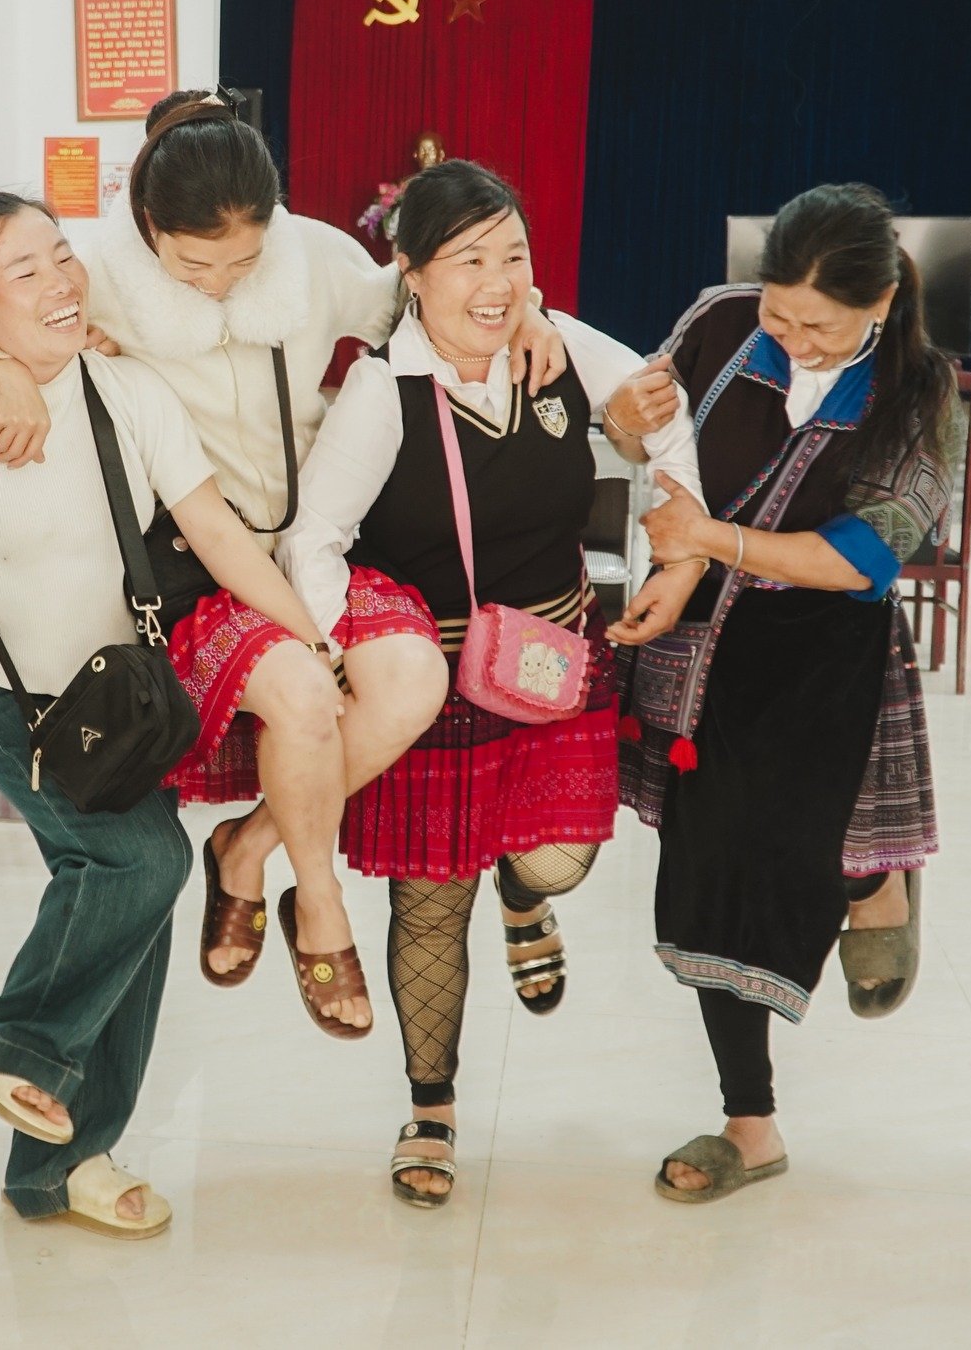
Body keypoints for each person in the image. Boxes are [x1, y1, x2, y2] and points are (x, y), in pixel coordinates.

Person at [0, 94, 670, 1040]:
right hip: (197, 558)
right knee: (307, 696)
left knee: (410, 681)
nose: (221, 284)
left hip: (314, 537)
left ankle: (247, 846)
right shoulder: (97, 272)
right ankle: (319, 903)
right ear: (149, 227)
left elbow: (436, 284)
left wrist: (532, 315)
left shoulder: (311, 256)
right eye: (195, 266)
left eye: (244, 261)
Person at [0, 191, 336, 1235]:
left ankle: (61, 1166)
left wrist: (314, 639)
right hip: (13, 706)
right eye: (26, 272)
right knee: (144, 866)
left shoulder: (127, 391)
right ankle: (14, 1043)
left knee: (131, 907)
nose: (61, 284)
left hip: (121, 703)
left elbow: (215, 533)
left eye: (63, 257)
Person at [278, 160, 704, 1206]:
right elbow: (312, 541)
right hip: (434, 681)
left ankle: (524, 898)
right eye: (468, 260)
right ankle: (430, 1110)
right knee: (432, 904)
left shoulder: (558, 348)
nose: (497, 281)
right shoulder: (383, 390)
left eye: (512, 255)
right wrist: (345, 656)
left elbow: (662, 413)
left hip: (552, 664)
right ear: (412, 273)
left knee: (558, 859)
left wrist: (679, 554)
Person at [618, 182, 954, 1204]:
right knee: (714, 874)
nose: (793, 340)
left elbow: (865, 556)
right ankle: (750, 1125)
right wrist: (623, 421)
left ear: (880, 302)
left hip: (824, 662)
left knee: (798, 855)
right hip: (705, 646)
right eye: (779, 315)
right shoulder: (720, 323)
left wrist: (708, 541)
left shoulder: (918, 389)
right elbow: (657, 453)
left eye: (820, 327)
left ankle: (870, 879)